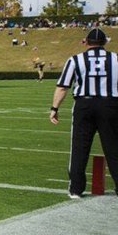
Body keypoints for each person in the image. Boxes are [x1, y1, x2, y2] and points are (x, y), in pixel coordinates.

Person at [50, 27, 117, 198]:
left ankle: (76, 189)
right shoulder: (115, 59)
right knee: (114, 147)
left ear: (86, 42)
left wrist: (54, 108)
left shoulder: (75, 60)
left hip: (84, 105)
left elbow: (63, 87)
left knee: (79, 148)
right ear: (105, 43)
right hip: (110, 105)